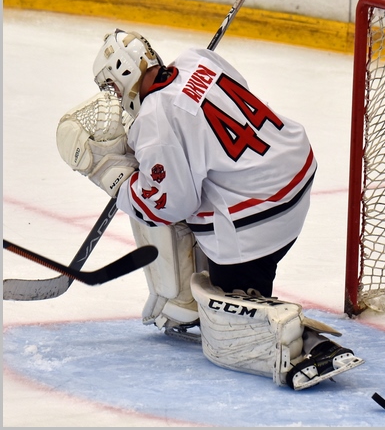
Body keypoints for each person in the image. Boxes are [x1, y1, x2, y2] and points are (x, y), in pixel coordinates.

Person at [55, 28, 363, 390]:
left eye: (111, 86)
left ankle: (285, 336)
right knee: (187, 186)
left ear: (124, 75)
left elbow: (166, 206)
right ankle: (219, 293)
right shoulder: (196, 58)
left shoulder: (154, 119)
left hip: (257, 220)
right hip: (294, 174)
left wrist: (110, 173)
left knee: (223, 324)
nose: (115, 97)